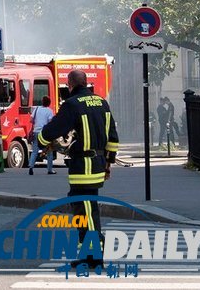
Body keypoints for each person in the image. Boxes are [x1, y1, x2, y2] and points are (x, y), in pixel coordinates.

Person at [38, 70, 119, 269]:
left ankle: (96, 252)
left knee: (86, 209)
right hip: (98, 163)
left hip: (82, 165)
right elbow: (113, 137)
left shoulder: (72, 105)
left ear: (70, 84)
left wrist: (40, 141)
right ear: (86, 82)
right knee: (83, 206)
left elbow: (52, 130)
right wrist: (108, 163)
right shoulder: (102, 103)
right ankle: (87, 253)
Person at [28, 96, 55, 175]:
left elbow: (31, 120)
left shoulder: (36, 109)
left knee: (35, 151)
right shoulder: (49, 111)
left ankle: (31, 167)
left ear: (42, 102)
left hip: (36, 132)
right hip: (45, 133)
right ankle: (49, 169)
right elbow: (50, 122)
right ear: (49, 103)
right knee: (49, 151)